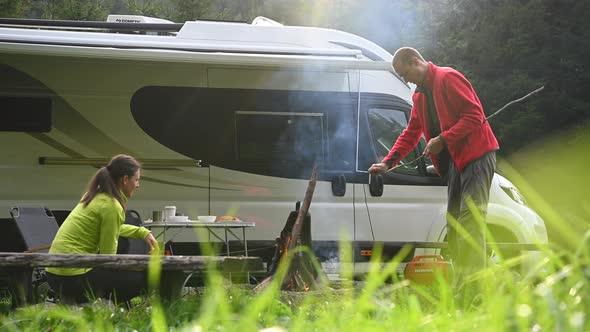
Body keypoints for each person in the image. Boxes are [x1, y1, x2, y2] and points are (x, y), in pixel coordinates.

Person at [368, 47, 499, 294]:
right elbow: (411, 132)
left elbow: (474, 116)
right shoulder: (419, 96)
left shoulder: (447, 77)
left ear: (415, 61)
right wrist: (387, 162)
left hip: (477, 155)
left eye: (405, 73)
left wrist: (442, 139)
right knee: (454, 225)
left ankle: (477, 289)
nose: (406, 80)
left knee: (471, 220)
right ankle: (463, 285)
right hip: (456, 164)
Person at [46, 154, 159, 304]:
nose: (138, 185)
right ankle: (108, 311)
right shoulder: (112, 205)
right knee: (147, 277)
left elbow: (110, 228)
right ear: (125, 179)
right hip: (73, 279)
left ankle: (103, 307)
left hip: (54, 274)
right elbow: (107, 258)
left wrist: (142, 232)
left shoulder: (95, 195)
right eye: (136, 180)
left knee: (128, 272)